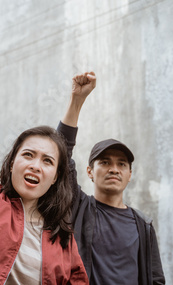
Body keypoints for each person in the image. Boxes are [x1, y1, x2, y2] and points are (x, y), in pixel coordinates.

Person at [0, 25, 88, 284]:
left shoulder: (62, 237)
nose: (36, 165)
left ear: (56, 177)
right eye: (28, 155)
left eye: (47, 161)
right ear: (12, 163)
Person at [57, 72, 165, 285]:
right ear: (90, 171)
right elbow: (61, 152)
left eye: (121, 164)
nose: (114, 169)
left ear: (129, 175)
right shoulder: (79, 208)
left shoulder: (143, 225)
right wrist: (77, 100)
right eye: (105, 162)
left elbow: (156, 279)